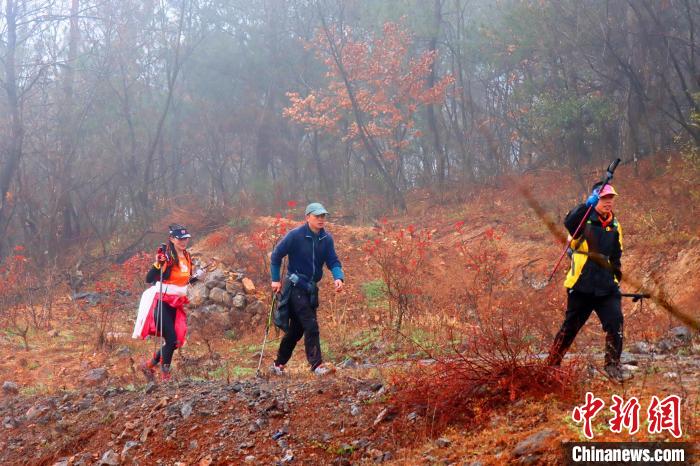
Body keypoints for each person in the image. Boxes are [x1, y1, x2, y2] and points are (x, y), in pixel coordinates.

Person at [545, 182, 631, 382]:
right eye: (604, 198)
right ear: (595, 199)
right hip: (581, 286)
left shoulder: (615, 225)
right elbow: (570, 222)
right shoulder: (583, 220)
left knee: (615, 323)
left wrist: (615, 278)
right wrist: (587, 204)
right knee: (570, 328)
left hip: (606, 287)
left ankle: (612, 366)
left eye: (611, 198)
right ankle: (551, 365)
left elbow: (616, 255)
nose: (608, 202)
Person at [270, 202, 344, 376]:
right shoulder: (295, 235)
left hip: (310, 289)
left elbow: (333, 261)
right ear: (307, 217)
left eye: (323, 216)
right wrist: (275, 280)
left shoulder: (326, 239)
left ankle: (278, 364)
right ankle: (317, 365)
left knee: (296, 330)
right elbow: (276, 256)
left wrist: (338, 277)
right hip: (295, 286)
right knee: (311, 324)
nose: (321, 219)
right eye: (317, 216)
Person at [133, 224, 203, 382]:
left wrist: (196, 277)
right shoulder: (167, 256)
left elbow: (184, 281)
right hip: (162, 301)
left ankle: (149, 365)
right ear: (172, 239)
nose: (183, 242)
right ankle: (165, 375)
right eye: (180, 239)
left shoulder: (187, 256)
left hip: (176, 303)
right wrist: (157, 263)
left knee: (175, 340)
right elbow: (149, 278)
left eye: (186, 239)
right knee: (171, 339)